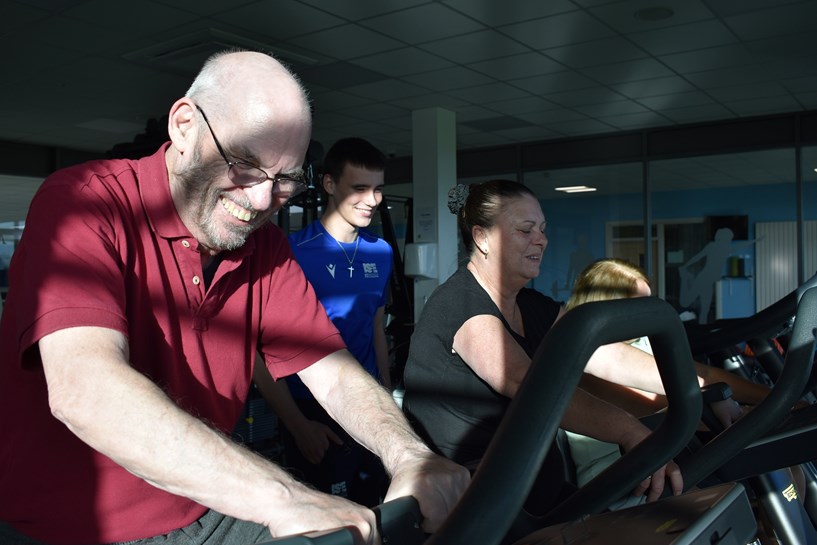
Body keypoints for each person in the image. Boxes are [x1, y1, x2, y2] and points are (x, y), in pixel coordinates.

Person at [0, 49, 469, 545]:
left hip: (205, 507)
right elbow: (86, 390)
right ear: (184, 126)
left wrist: (409, 456)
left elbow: (330, 371)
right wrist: (285, 496)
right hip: (72, 528)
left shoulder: (263, 244)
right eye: (244, 164)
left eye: (286, 180)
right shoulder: (86, 202)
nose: (263, 200)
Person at [401, 180, 685, 516]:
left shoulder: (530, 305)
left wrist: (694, 383)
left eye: (542, 229)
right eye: (525, 230)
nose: (542, 239)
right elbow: (529, 386)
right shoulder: (460, 305)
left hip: (532, 491)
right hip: (476, 509)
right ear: (482, 238)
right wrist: (629, 431)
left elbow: (605, 355)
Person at [254, 137, 392, 506]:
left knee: (378, 508)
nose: (372, 199)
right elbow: (260, 353)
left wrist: (388, 402)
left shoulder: (381, 253)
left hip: (368, 403)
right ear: (330, 185)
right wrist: (298, 424)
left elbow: (375, 330)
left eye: (378, 189)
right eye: (359, 188)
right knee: (329, 519)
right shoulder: (291, 254)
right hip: (312, 410)